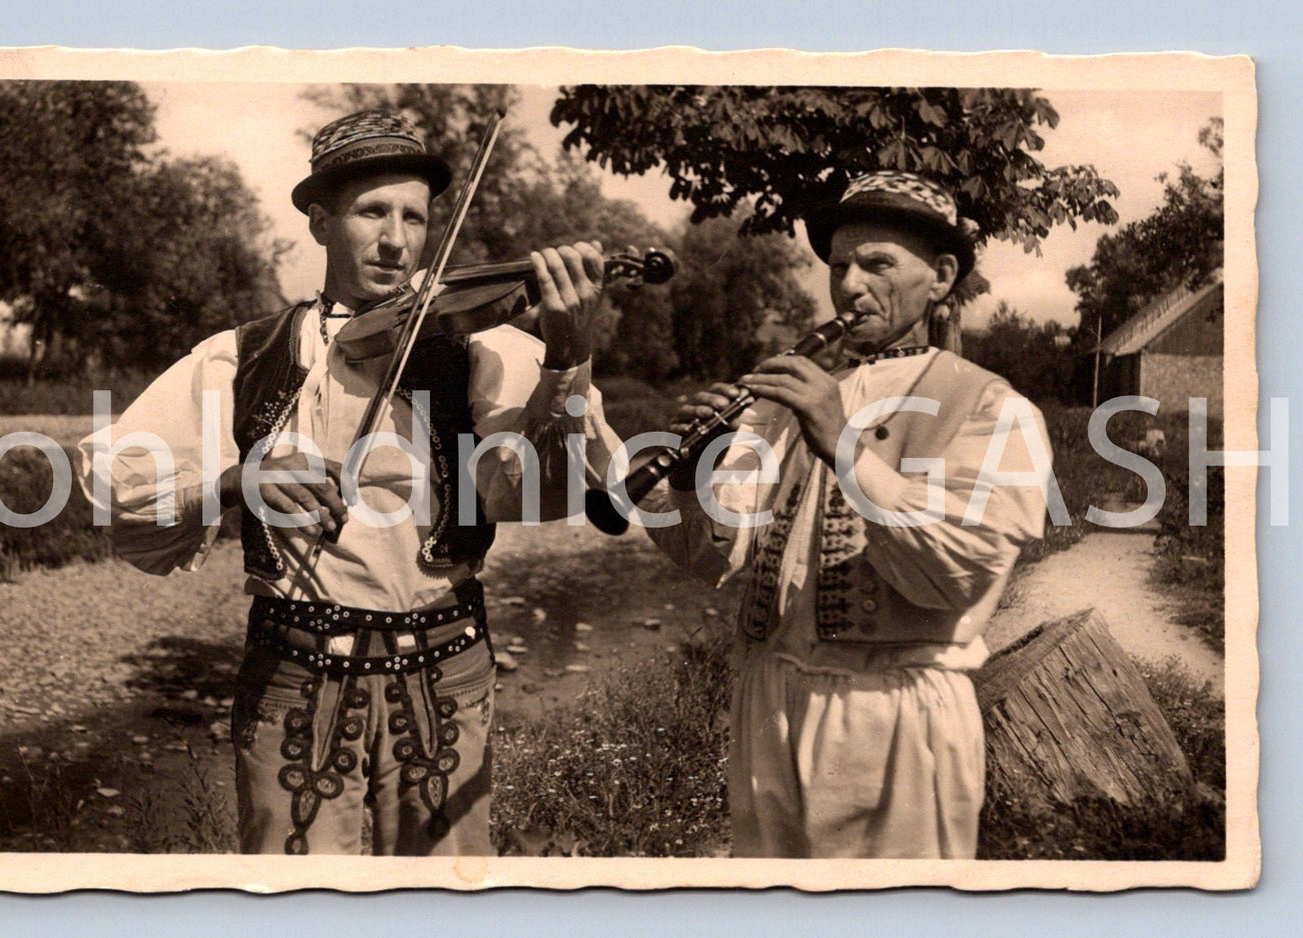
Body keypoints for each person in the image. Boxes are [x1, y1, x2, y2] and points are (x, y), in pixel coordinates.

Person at [79, 109, 617, 856]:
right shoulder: (244, 353)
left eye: (414, 218)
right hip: (293, 668)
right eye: (371, 212)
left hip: (446, 664)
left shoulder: (484, 348)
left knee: (443, 899)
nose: (396, 240)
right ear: (320, 221)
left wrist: (567, 357)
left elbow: (530, 495)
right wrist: (236, 479)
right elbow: (116, 484)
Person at [639, 171, 1053, 858]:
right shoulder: (795, 398)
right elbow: (712, 559)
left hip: (892, 716)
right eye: (838, 267)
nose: (849, 286)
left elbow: (956, 575)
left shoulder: (993, 406)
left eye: (876, 263)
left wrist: (841, 445)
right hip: (768, 706)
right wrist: (689, 477)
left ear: (941, 277)